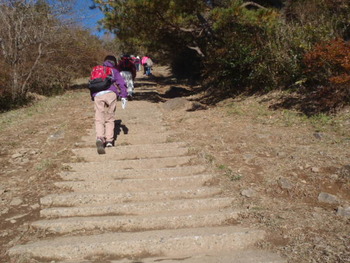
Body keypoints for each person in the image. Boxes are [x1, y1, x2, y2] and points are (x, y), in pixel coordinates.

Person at [91, 55, 128, 154]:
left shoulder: (97, 70)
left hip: (98, 94)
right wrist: (123, 95)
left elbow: (92, 84)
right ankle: (109, 141)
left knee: (99, 118)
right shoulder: (113, 70)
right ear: (114, 62)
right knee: (110, 117)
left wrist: (93, 96)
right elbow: (121, 83)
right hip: (111, 93)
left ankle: (100, 138)